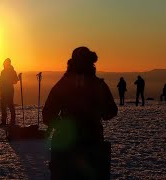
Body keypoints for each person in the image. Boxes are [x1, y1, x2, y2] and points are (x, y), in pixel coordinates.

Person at [43, 47, 118, 179]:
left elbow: (47, 114)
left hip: (66, 146)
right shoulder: (98, 85)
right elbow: (110, 112)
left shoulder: (63, 84)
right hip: (92, 143)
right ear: (91, 63)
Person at [0, 58, 19, 126]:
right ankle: (4, 121)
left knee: (9, 105)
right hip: (3, 89)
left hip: (9, 89)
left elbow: (15, 81)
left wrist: (8, 81)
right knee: (3, 106)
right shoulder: (3, 71)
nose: (5, 65)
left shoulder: (12, 71)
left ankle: (12, 121)